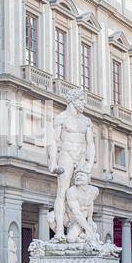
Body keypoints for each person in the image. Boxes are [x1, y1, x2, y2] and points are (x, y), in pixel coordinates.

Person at [47, 89, 95, 240]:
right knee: (61, 192)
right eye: (81, 100)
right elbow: (53, 142)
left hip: (80, 155)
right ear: (72, 100)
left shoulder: (86, 121)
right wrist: (53, 162)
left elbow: (91, 143)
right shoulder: (61, 118)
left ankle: (80, 226)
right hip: (66, 154)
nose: (84, 103)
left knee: (82, 190)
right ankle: (60, 230)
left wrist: (90, 164)